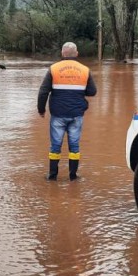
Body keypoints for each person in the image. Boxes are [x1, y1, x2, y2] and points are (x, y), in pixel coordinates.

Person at [37, 42, 97, 181]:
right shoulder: (85, 70)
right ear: (77, 54)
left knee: (55, 145)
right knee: (74, 145)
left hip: (58, 114)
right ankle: (73, 176)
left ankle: (52, 176)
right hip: (76, 114)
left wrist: (41, 109)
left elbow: (43, 92)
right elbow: (92, 91)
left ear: (62, 53)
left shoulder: (53, 69)